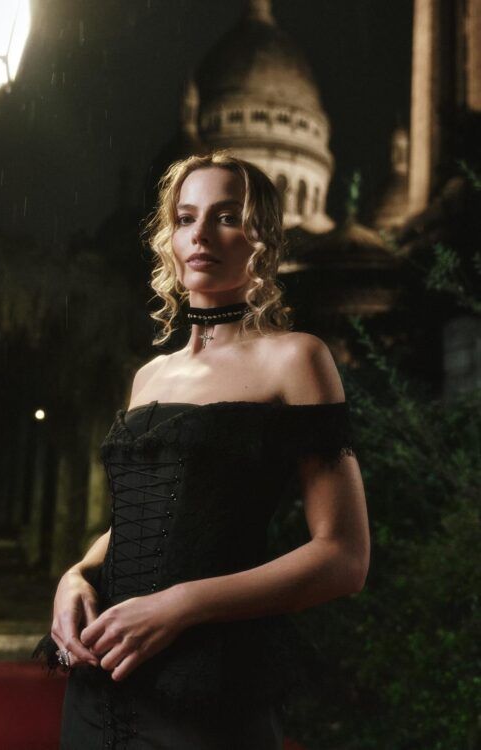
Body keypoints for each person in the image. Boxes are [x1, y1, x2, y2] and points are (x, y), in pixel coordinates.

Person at [34, 152, 370, 749]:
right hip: (99, 678)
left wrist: (180, 605)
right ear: (170, 237)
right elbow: (133, 521)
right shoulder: (150, 376)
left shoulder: (295, 358)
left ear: (261, 238)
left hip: (209, 688)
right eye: (186, 218)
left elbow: (344, 558)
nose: (201, 234)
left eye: (227, 217)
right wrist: (75, 575)